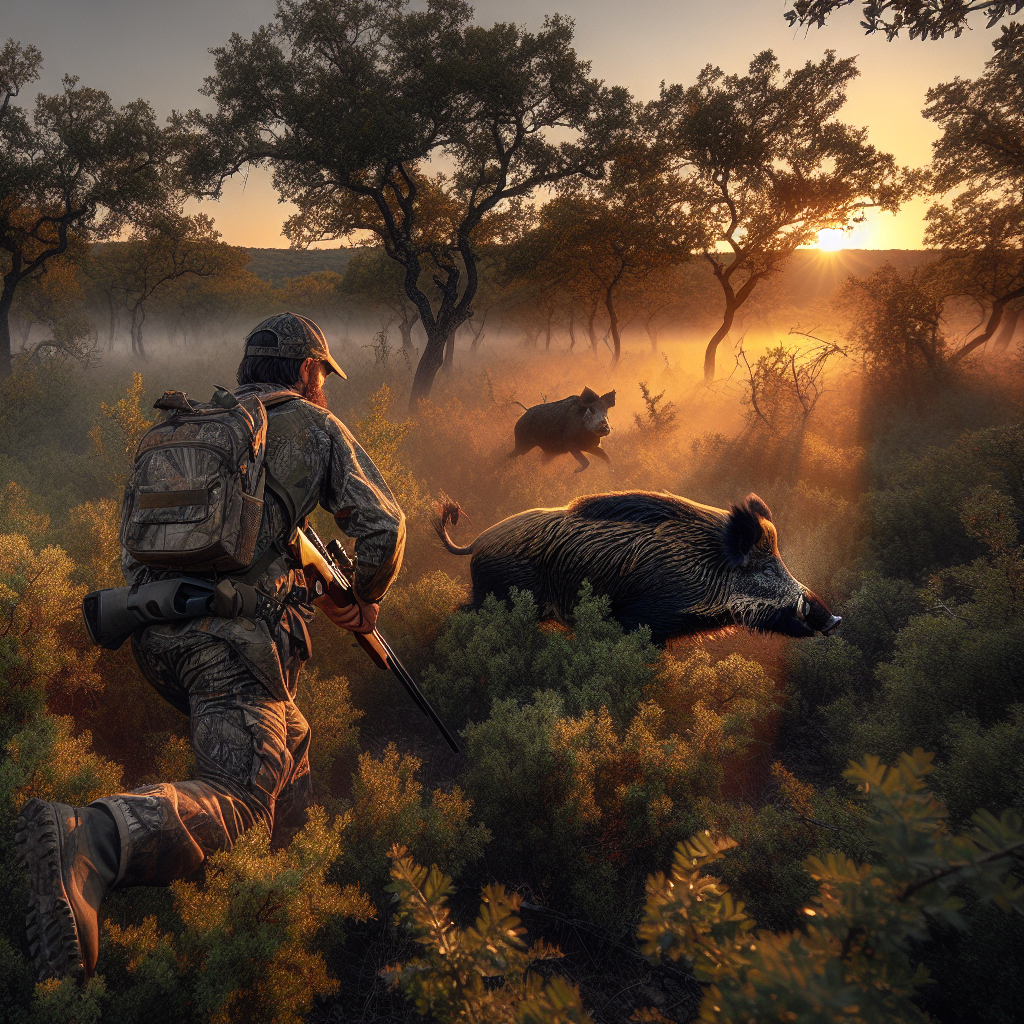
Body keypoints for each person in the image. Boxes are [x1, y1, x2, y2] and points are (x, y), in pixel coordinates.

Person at [15, 313, 406, 983]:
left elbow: (137, 543)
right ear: (309, 371)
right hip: (231, 647)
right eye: (322, 375)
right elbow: (383, 524)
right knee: (242, 795)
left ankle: (280, 908)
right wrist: (362, 597)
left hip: (154, 633)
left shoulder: (188, 429)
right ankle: (92, 842)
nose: (324, 386)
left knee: (290, 741)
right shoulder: (315, 428)